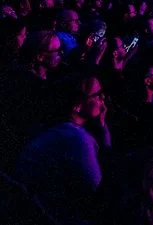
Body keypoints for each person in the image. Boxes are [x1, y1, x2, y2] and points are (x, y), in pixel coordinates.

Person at [15, 74, 111, 225]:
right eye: (97, 94)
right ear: (77, 105)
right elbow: (98, 192)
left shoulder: (55, 126)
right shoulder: (78, 140)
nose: (103, 98)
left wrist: (102, 126)